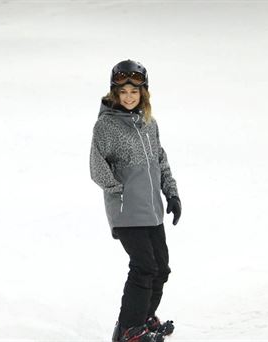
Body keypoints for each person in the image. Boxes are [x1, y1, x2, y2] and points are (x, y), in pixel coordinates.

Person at [90, 60, 182, 342]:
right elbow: (97, 167)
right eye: (123, 92)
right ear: (114, 94)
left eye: (134, 91)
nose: (129, 96)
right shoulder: (106, 126)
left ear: (144, 93)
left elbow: (160, 160)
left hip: (152, 209)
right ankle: (130, 329)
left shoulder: (148, 123)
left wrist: (172, 193)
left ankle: (143, 319)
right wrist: (120, 191)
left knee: (161, 268)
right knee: (144, 267)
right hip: (127, 211)